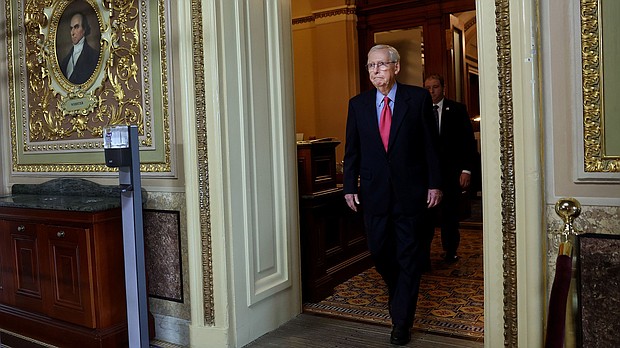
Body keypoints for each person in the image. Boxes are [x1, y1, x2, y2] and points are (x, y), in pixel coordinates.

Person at [343, 44, 442, 346]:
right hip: (373, 193)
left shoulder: (417, 98)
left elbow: (430, 146)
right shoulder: (357, 104)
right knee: (380, 252)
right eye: (371, 66)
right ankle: (399, 291)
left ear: (396, 67)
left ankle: (401, 321)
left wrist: (435, 183)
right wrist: (349, 186)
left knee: (410, 257)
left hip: (410, 193)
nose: (376, 71)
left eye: (382, 65)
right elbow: (352, 150)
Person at [423, 74, 478, 263]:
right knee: (425, 218)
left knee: (449, 216)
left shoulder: (457, 109)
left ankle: (450, 251)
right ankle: (424, 254)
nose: (431, 91)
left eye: (435, 87)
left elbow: (468, 143)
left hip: (451, 173)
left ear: (443, 88)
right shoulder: (419, 110)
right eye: (428, 87)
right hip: (426, 175)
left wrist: (466, 170)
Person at [59, 12, 99, 85]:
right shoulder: (65, 61)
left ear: (84, 29)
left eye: (76, 27)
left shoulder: (94, 56)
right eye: (71, 28)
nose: (72, 33)